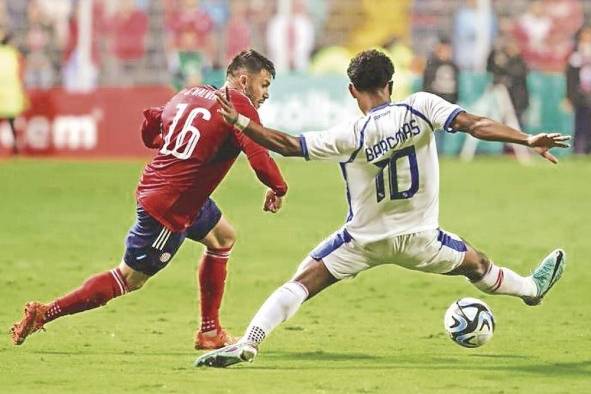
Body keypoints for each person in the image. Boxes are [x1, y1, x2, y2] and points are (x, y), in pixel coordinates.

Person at [195, 49, 569, 368]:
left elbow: (287, 144)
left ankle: (250, 341)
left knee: (301, 283)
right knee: (479, 264)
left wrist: (242, 121)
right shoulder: (422, 106)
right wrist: (525, 138)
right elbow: (475, 124)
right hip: (422, 239)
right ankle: (531, 289)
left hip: (362, 241)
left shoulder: (348, 134)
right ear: (391, 83)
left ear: (352, 90)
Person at [10, 49, 288, 350]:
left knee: (223, 237)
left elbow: (152, 125)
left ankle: (210, 332)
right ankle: (44, 313)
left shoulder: (192, 92)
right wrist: (278, 187)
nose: (267, 94)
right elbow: (260, 158)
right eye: (264, 85)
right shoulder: (239, 107)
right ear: (244, 81)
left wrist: (174, 149)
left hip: (178, 194)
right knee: (129, 278)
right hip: (172, 207)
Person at [566, 25, 591, 154]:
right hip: (581, 94)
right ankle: (579, 150)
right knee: (580, 124)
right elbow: (571, 77)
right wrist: (569, 96)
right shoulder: (576, 54)